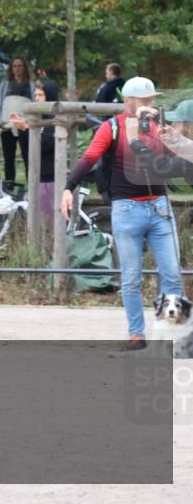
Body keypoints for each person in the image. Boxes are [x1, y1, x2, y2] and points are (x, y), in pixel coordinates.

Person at [61, 77, 193, 351]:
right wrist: (68, 188)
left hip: (159, 207)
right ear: (128, 101)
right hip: (126, 209)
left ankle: (172, 334)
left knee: (171, 274)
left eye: (152, 100)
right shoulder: (112, 128)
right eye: (144, 100)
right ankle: (136, 334)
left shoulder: (158, 127)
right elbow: (89, 158)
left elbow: (179, 155)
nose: (149, 104)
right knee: (131, 277)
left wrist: (169, 132)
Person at [8, 79, 60, 234]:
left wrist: (27, 129)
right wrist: (23, 127)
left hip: (50, 177)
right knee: (40, 222)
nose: (36, 98)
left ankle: (50, 255)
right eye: (36, 94)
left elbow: (47, 145)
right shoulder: (39, 117)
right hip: (37, 174)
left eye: (40, 95)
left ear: (49, 96)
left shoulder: (55, 118)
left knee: (48, 224)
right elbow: (29, 147)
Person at [0, 57, 34, 184]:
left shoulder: (31, 85)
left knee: (28, 156)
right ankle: (9, 183)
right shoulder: (5, 84)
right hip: (7, 126)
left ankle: (31, 183)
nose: (17, 69)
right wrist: (0, 123)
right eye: (15, 66)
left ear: (24, 67)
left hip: (24, 125)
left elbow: (35, 104)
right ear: (11, 68)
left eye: (20, 66)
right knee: (8, 157)